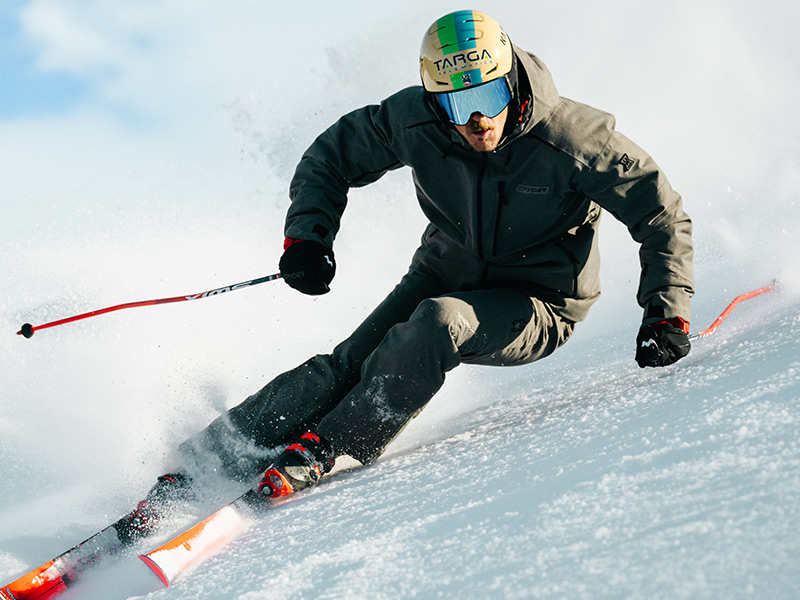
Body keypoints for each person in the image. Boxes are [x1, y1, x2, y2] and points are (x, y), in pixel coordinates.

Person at [132, 9, 694, 524]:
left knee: (436, 323)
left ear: (513, 81)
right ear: (433, 99)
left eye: (490, 95)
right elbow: (329, 158)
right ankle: (208, 459)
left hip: (538, 301)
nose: (476, 120)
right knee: (343, 367)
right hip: (444, 269)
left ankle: (328, 446)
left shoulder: (573, 139)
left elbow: (660, 214)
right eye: (455, 103)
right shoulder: (414, 120)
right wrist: (307, 240)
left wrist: (667, 314)